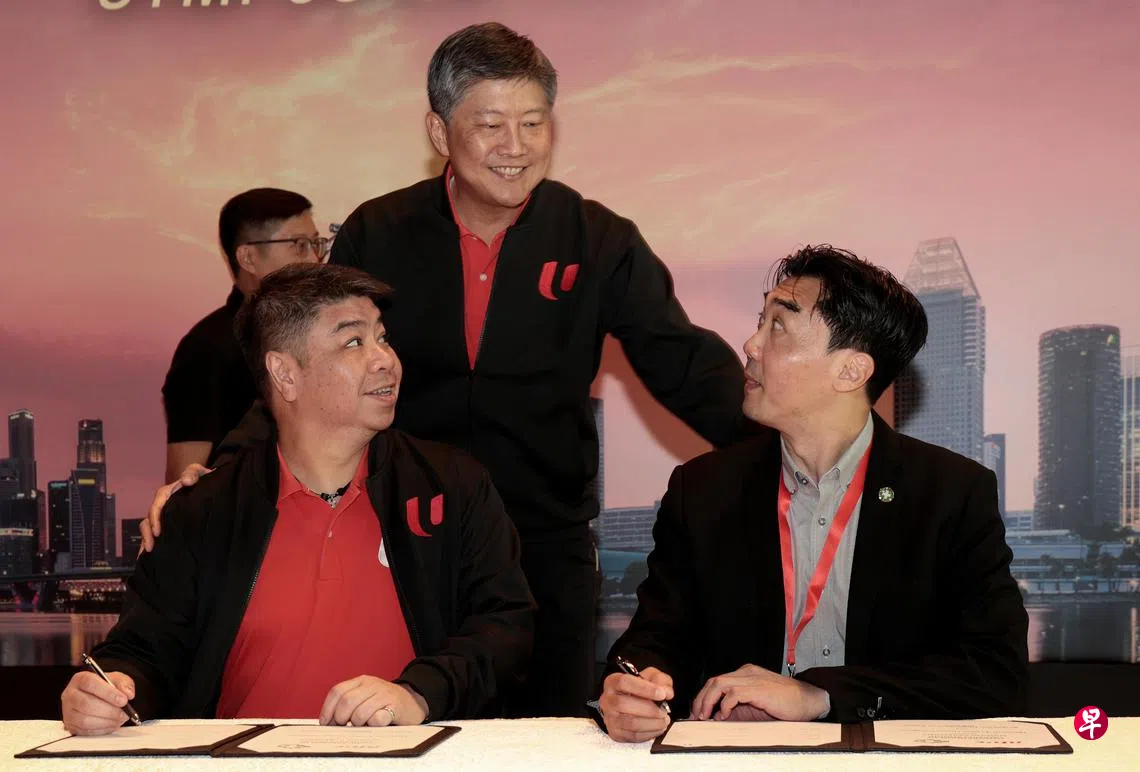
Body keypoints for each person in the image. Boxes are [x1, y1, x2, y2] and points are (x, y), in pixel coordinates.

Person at [142, 22, 752, 718]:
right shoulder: (380, 230)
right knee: (406, 725)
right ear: (440, 131)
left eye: (533, 123)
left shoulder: (596, 237)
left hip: (545, 543)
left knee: (549, 740)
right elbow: (308, 369)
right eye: (490, 125)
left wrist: (792, 448)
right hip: (410, 538)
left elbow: (685, 364)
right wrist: (222, 471)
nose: (515, 147)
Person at [61, 264, 534, 735]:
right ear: (284, 374)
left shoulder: (451, 486)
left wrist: (419, 693)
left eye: (382, 337)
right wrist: (108, 690)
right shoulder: (203, 511)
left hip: (414, 759)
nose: (385, 359)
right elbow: (141, 653)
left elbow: (505, 626)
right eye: (354, 342)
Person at [597, 245, 1029, 742]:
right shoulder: (702, 490)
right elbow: (655, 640)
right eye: (760, 321)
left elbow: (996, 676)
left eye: (779, 326)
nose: (750, 344)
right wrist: (635, 686)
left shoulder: (950, 493)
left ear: (851, 371)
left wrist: (820, 696)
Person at [161, 188, 327, 483]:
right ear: (248, 257)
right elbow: (182, 483)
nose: (315, 258)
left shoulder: (323, 332)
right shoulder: (207, 348)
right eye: (299, 245)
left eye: (317, 243)